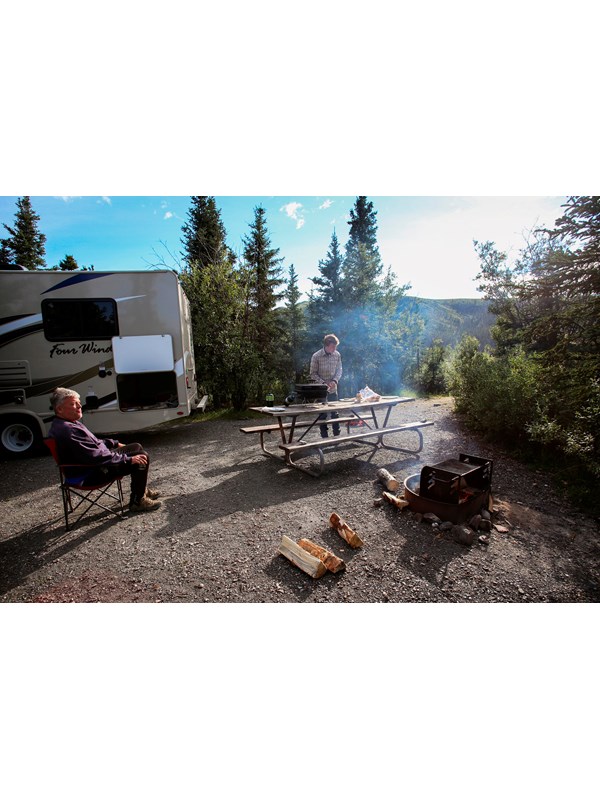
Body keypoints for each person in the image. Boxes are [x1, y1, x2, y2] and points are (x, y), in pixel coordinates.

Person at [48, 387, 160, 513]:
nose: (79, 406)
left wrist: (115, 443)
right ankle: (137, 501)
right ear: (60, 409)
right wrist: (128, 459)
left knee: (136, 447)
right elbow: (95, 456)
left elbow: (94, 443)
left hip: (95, 464)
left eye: (79, 402)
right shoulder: (68, 430)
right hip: (91, 473)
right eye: (73, 404)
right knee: (142, 457)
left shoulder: (67, 423)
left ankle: (141, 490)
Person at [309, 333, 342, 438]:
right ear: (326, 345)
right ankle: (324, 437)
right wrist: (323, 383)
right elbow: (312, 374)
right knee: (322, 413)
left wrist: (335, 381)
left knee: (335, 412)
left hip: (333, 388)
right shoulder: (316, 356)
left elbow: (339, 370)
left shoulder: (337, 355)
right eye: (333, 347)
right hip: (321, 389)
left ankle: (337, 435)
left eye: (335, 347)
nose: (334, 349)